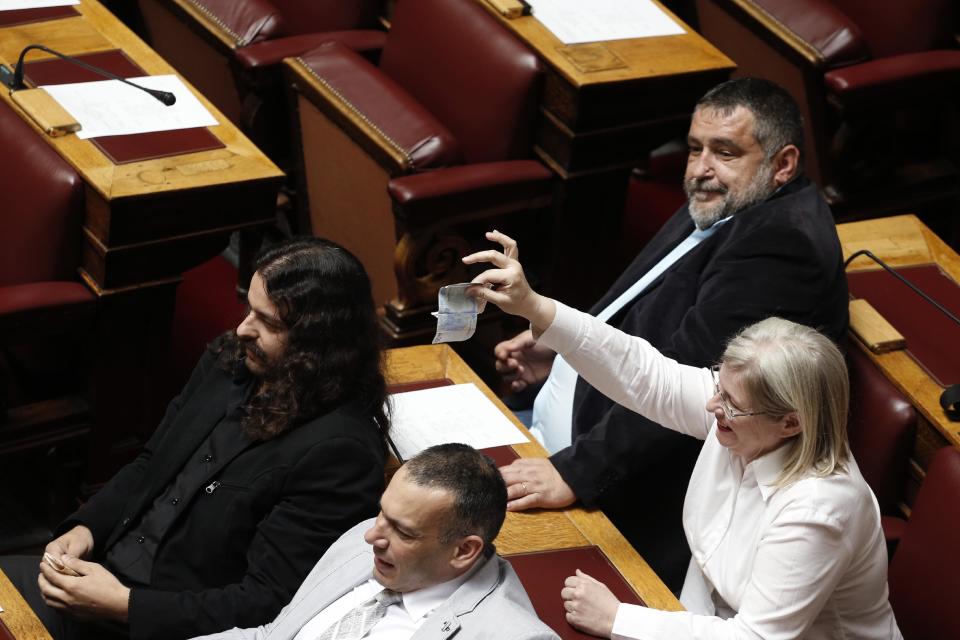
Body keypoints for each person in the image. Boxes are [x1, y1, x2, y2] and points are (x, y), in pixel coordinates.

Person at [492, 78, 849, 590]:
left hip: (613, 478)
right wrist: (561, 345)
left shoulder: (779, 248)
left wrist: (576, 472)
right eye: (695, 148)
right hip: (567, 421)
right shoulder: (733, 197)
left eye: (724, 152)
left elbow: (683, 394)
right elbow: (640, 293)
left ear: (782, 164)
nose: (701, 167)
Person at [463, 232, 902, 639]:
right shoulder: (743, 418)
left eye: (730, 405)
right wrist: (535, 307)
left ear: (791, 423)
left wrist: (620, 618)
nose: (713, 408)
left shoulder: (819, 508)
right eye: (718, 388)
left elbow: (754, 637)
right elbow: (645, 374)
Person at [0, 238, 390, 639]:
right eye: (249, 310)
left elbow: (268, 603)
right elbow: (151, 464)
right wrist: (86, 529)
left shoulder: (340, 453)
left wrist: (124, 605)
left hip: (162, 621)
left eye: (269, 323)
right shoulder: (229, 361)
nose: (243, 329)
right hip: (102, 572)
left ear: (321, 344)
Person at [190, 443, 560, 640]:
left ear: (464, 550)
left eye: (403, 531)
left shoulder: (511, 636)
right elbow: (272, 636)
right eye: (382, 513)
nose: (371, 535)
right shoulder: (362, 541)